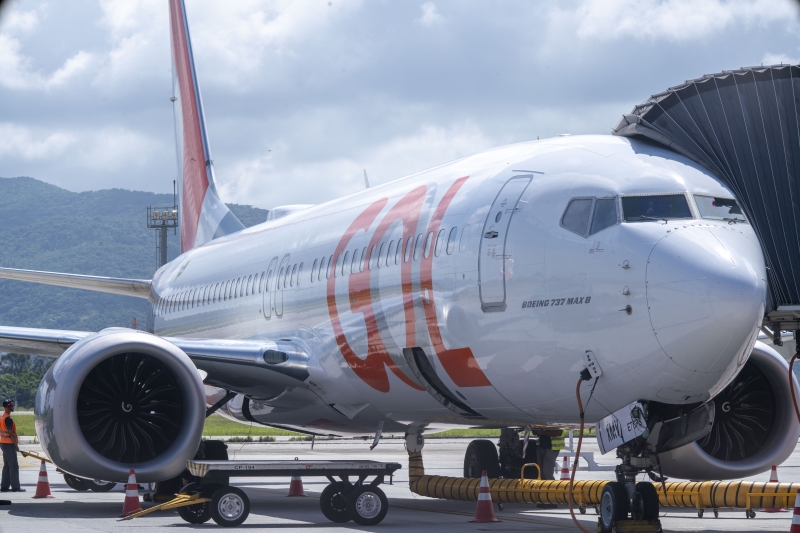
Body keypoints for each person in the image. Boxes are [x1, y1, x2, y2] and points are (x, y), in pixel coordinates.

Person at [535, 429, 565, 509]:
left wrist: (543, 432)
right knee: (541, 474)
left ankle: (552, 499)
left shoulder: (555, 421)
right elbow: (536, 432)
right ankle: (544, 499)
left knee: (547, 473)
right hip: (541, 447)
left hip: (551, 449)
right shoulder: (541, 422)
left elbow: (559, 432)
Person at [0, 399, 24, 492]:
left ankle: (4, 486)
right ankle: (15, 487)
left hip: (3, 443)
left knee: (7, 466)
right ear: (7, 407)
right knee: (13, 466)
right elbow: (10, 433)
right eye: (11, 405)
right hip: (9, 444)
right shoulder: (8, 419)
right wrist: (16, 446)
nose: (12, 407)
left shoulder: (3, 417)